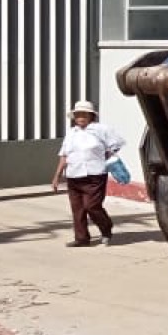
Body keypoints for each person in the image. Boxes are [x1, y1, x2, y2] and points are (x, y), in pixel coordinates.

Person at [52, 100, 125, 247]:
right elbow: (64, 154)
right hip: (73, 175)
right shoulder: (71, 133)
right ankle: (82, 239)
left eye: (84, 114)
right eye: (78, 114)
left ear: (91, 115)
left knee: (92, 206)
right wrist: (57, 176)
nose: (80, 117)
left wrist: (107, 155)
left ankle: (106, 227)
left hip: (95, 175)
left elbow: (117, 144)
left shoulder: (101, 129)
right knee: (77, 209)